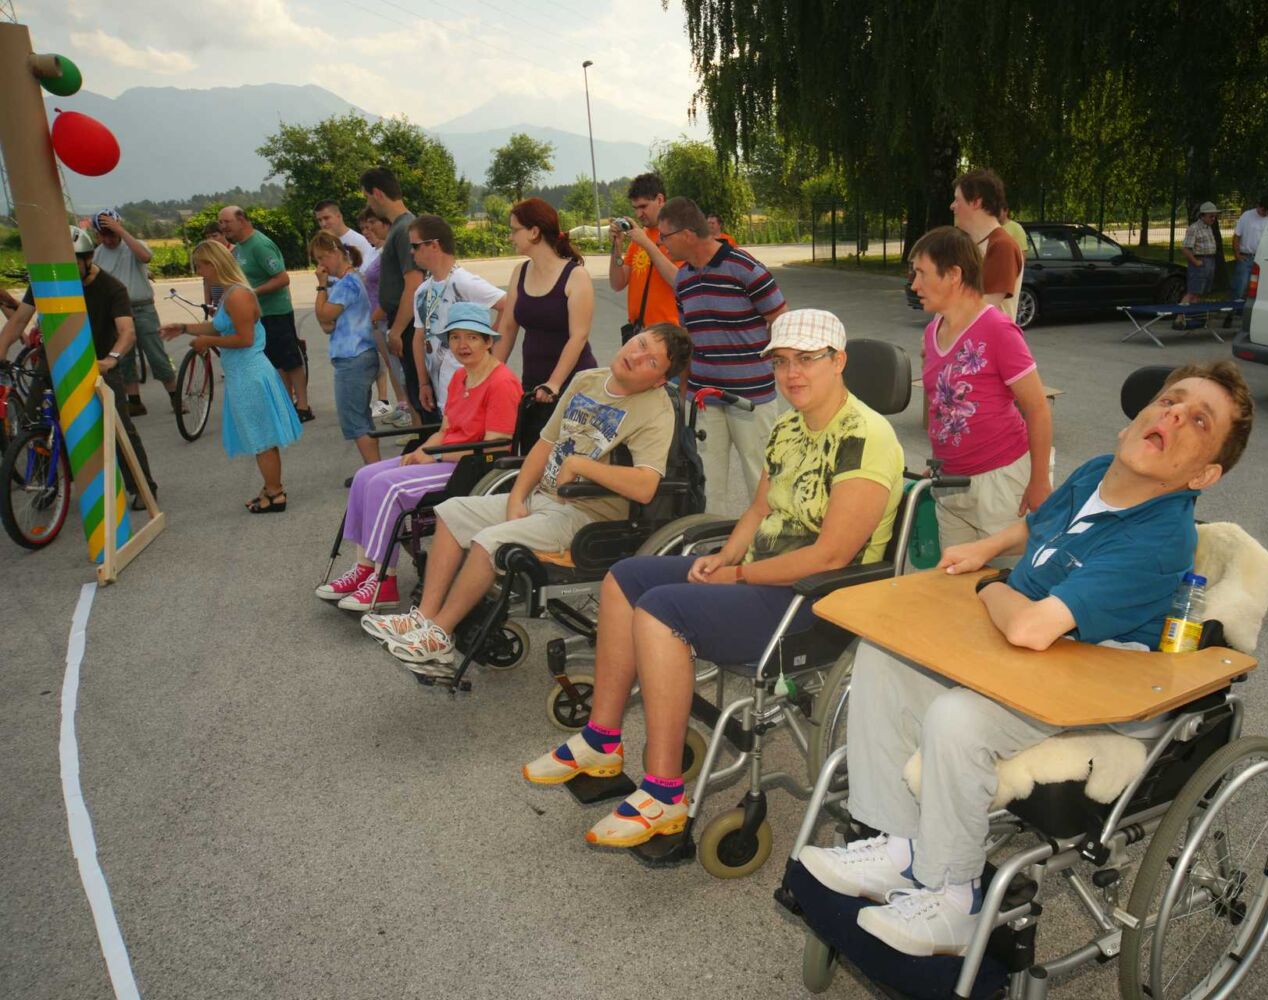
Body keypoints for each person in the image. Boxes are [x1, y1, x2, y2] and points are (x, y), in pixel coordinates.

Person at [797, 360, 1255, 958]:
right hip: (1033, 657)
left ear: (1204, 473)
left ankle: (954, 899)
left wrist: (991, 585)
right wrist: (981, 549)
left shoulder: (1161, 539)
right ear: (1136, 419)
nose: (1173, 415)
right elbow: (1034, 526)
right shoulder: (1096, 473)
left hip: (1097, 686)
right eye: (1171, 401)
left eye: (1198, 420)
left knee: (957, 719)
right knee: (885, 658)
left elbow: (1032, 629)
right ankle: (900, 846)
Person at [520, 309, 905, 850]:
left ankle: (664, 796)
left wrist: (739, 575)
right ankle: (602, 741)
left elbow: (832, 554)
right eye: (781, 361)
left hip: (816, 602)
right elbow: (758, 509)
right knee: (626, 578)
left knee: (661, 612)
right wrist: (724, 557)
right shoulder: (790, 426)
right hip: (763, 576)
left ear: (838, 361)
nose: (792, 373)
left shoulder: (867, 437)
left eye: (807, 359)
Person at [361, 323, 694, 673]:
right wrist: (517, 497)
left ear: (660, 380)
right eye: (640, 344)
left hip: (586, 516)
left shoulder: (655, 409)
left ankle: (439, 638)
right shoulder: (587, 380)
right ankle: (425, 618)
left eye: (651, 361)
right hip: (542, 497)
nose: (636, 356)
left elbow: (645, 486)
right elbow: (545, 444)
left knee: (489, 541)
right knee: (451, 511)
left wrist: (582, 465)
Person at [317, 302, 522, 613]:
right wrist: (422, 450)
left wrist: (435, 455)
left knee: (387, 486)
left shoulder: (501, 382)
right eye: (455, 337)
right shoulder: (460, 377)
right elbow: (446, 429)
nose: (462, 345)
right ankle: (364, 569)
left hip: (474, 466)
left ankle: (385, 580)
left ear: (488, 341)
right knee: (364, 476)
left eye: (472, 337)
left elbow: (496, 446)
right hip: (445, 454)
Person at [908, 227, 1053, 550]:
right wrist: (941, 460)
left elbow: (1037, 408)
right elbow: (942, 406)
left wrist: (1039, 481)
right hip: (950, 484)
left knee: (1008, 575)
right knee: (954, 575)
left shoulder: (997, 329)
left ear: (954, 274)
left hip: (1000, 483)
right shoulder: (933, 331)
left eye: (922, 273)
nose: (915, 284)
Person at [0, 226, 158, 510]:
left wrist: (111, 359)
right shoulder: (47, 281)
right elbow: (18, 321)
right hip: (53, 362)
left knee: (118, 427)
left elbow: (127, 332)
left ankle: (141, 485)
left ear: (88, 259)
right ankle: (49, 483)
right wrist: (1, 353)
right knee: (33, 422)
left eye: (72, 265)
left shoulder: (111, 288)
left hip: (100, 365)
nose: (65, 273)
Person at [660, 196, 788, 509]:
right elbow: (688, 339)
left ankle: (767, 537)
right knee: (706, 482)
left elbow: (781, 321)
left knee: (762, 479)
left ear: (687, 234)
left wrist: (777, 371)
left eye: (665, 236)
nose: (662, 244)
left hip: (752, 397)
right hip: (704, 398)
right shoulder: (683, 279)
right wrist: (685, 390)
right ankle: (709, 537)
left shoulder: (746, 268)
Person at [162, 241, 303, 512]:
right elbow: (218, 326)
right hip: (243, 373)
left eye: (200, 266)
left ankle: (275, 493)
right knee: (260, 436)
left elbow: (244, 339)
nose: (199, 272)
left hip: (250, 374)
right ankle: (270, 486)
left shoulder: (238, 295)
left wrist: (206, 341)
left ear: (214, 264)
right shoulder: (230, 293)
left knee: (262, 439)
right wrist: (184, 328)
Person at [496, 197, 598, 417]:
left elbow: (579, 336)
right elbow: (508, 328)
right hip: (534, 385)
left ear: (534, 232)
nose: (510, 236)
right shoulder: (519, 272)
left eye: (514, 230)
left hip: (574, 385)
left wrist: (554, 383)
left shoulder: (576, 276)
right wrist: (490, 374)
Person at [217, 205, 312, 422]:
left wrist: (253, 292)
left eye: (227, 222)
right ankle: (286, 403)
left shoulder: (260, 245)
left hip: (276, 312)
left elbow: (282, 278)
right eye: (220, 223)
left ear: (242, 220)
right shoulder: (239, 248)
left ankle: (303, 406)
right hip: (258, 314)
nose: (223, 227)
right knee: (275, 361)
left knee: (290, 359)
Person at [409, 214, 506, 414]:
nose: (411, 251)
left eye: (415, 246)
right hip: (440, 387)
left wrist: (486, 342)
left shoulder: (464, 282)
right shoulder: (422, 291)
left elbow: (508, 304)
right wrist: (423, 383)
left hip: (469, 386)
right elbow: (419, 337)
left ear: (434, 245)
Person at [363, 167, 436, 425]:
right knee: (414, 389)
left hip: (408, 323)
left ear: (377, 193)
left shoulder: (405, 228)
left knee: (420, 390)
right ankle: (423, 435)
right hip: (405, 321)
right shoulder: (401, 226)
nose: (369, 204)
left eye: (367, 197)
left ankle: (430, 439)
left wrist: (397, 330)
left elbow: (413, 283)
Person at [89, 209, 177, 415]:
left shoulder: (132, 246)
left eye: (112, 234)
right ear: (97, 235)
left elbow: (146, 257)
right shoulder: (97, 255)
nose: (109, 239)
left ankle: (176, 397)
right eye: (103, 235)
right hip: (116, 312)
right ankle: (135, 401)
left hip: (142, 308)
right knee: (123, 358)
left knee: (156, 355)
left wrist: (121, 230)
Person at [309, 231, 380, 466]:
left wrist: (321, 287)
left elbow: (324, 315)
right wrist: (326, 313)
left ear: (336, 253)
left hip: (353, 357)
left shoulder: (347, 283)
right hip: (358, 355)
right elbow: (326, 325)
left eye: (322, 258)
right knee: (362, 418)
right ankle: (373, 469)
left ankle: (373, 472)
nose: (320, 266)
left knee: (356, 422)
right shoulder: (349, 280)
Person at [608, 172, 681, 338]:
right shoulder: (640, 236)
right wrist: (616, 248)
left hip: (669, 334)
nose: (639, 214)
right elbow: (617, 284)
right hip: (639, 331)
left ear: (660, 200)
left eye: (643, 206)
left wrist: (646, 243)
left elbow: (679, 281)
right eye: (635, 208)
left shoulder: (677, 233)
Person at [952, 169, 1026, 319]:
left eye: (957, 200)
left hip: (985, 335)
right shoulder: (971, 244)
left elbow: (982, 308)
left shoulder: (1003, 246)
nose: (952, 206)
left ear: (976, 202)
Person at [358, 208, 407, 424]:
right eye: (364, 227)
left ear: (385, 224)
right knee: (393, 366)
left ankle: (410, 411)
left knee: (401, 367)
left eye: (371, 225)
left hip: (386, 316)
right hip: (379, 318)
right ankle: (404, 405)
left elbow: (396, 289)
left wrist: (375, 316)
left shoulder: (390, 251)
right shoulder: (377, 250)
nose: (368, 230)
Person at [1231, 195, 1268, 302]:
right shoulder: (1247, 215)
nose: (1265, 213)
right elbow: (1237, 236)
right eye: (1264, 210)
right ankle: (1235, 306)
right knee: (1241, 284)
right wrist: (1237, 254)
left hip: (1262, 258)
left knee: (1259, 286)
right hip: (1246, 257)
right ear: (1259, 206)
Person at [1180, 202, 1220, 306]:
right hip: (1199, 262)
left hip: (1209, 262)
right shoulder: (1194, 228)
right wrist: (1196, 262)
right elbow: (1185, 249)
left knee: (1199, 293)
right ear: (1202, 215)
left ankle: (1192, 314)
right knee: (1192, 292)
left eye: (1215, 216)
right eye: (1211, 216)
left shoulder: (1208, 227)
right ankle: (1180, 314)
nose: (1213, 219)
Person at [313, 198, 374, 262]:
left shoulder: (359, 242)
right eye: (319, 220)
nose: (323, 224)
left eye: (326, 218)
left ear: (339, 216)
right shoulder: (324, 244)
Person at [200, 222, 230, 311]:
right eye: (208, 237)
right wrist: (208, 304)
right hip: (216, 305)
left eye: (214, 236)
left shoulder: (234, 252)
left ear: (223, 234)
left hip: (232, 302)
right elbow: (206, 280)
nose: (211, 240)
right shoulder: (208, 255)